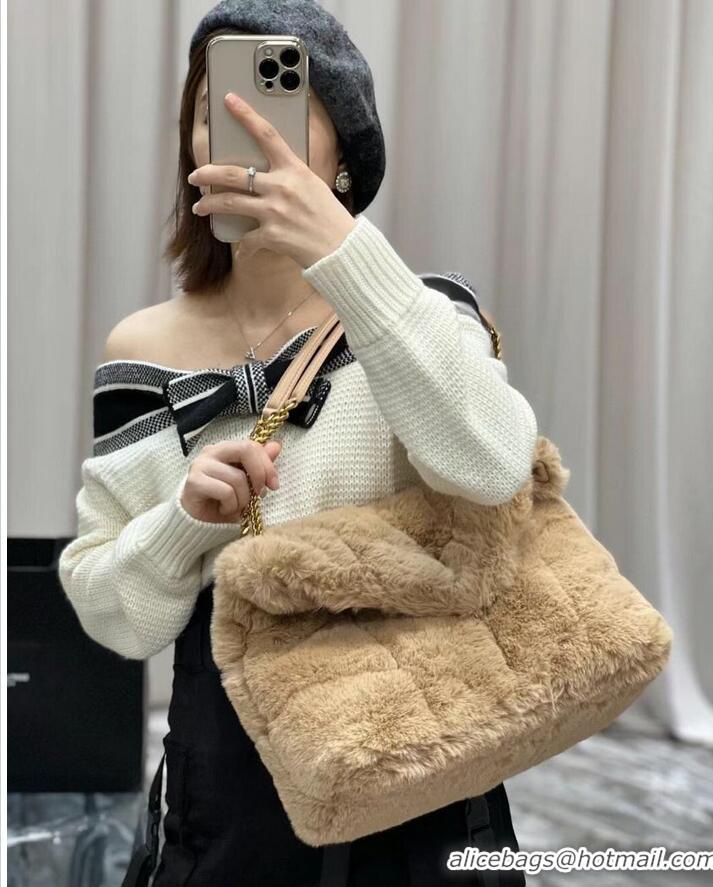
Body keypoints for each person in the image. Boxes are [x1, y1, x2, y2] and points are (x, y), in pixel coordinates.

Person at [58, 1, 536, 884]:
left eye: (275, 105)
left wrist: (347, 257)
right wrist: (185, 520)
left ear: (345, 156)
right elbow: (111, 616)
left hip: (419, 773)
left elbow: (493, 465)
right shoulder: (143, 348)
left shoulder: (419, 314)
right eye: (214, 108)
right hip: (226, 789)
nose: (243, 132)